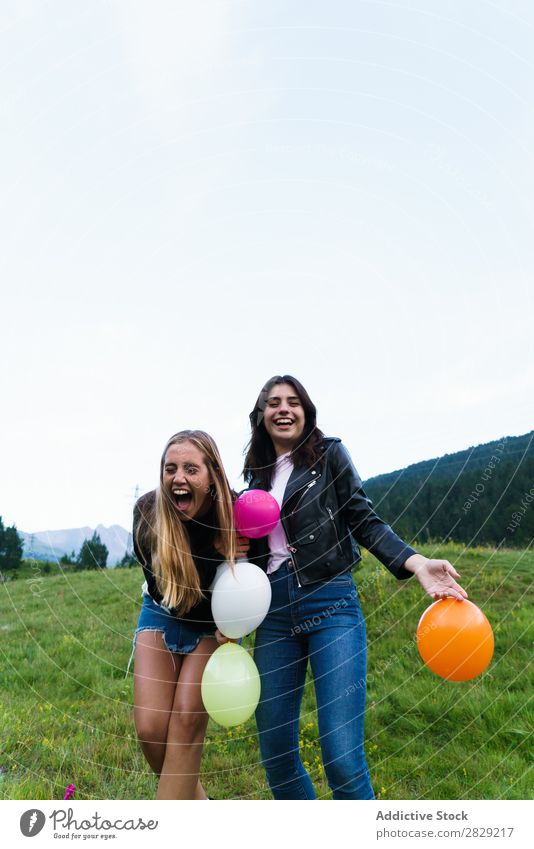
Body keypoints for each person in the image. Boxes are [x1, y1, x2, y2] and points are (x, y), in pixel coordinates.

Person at [243, 375, 468, 800]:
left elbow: (364, 519)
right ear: (260, 416)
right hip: (272, 614)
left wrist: (416, 562)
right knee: (275, 751)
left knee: (342, 758)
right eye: (273, 403)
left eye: (293, 401)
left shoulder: (328, 456)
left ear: (307, 411)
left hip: (331, 602)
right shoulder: (254, 476)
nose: (283, 409)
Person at [130, 429, 241, 800]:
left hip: (214, 625)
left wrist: (233, 625)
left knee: (186, 724)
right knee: (150, 729)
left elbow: (249, 585)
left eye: (191, 469)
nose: (178, 478)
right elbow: (166, 591)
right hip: (163, 610)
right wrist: (211, 552)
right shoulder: (147, 513)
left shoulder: (237, 514)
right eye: (170, 468)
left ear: (212, 476)